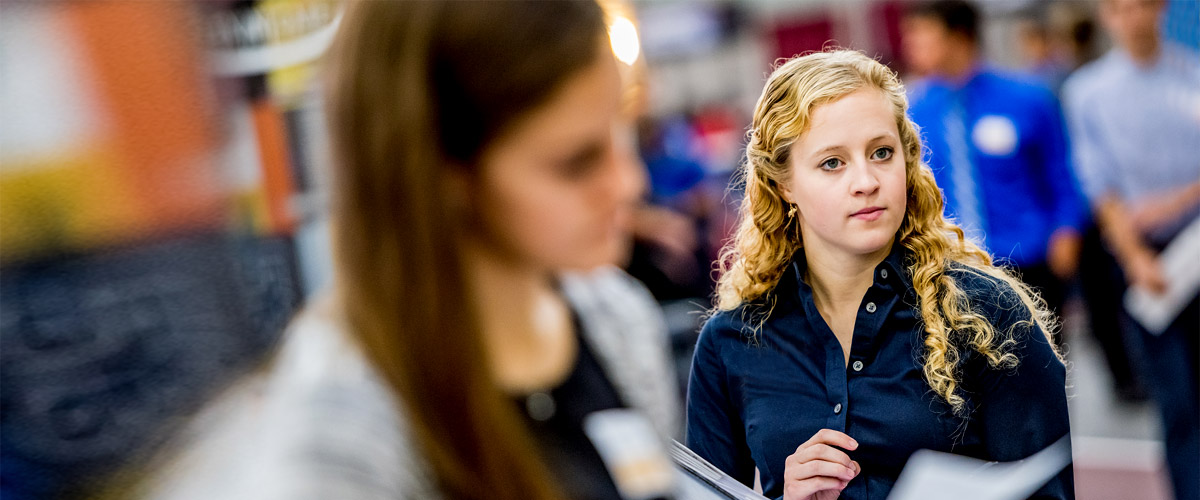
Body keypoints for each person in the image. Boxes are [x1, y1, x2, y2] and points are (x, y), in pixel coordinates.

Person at [115, 2, 680, 499]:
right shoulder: (343, 426)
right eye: (575, 162)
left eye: (621, 129)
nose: (627, 182)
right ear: (443, 171)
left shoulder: (615, 317)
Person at [685, 49, 1073, 500]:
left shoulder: (990, 316)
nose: (866, 180)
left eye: (881, 153)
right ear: (783, 183)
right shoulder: (729, 343)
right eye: (833, 162)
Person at [1061, 1, 1200, 498]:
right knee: (1176, 397)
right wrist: (1135, 255)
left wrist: (1175, 201)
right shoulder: (1088, 93)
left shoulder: (1193, 75)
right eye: (1118, 7)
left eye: (1140, 5)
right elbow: (1101, 187)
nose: (1132, 17)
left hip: (1196, 241)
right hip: (1143, 260)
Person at [901, 0, 1086, 339]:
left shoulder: (1027, 98)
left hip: (1027, 261)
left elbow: (1061, 173)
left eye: (922, 35)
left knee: (1042, 374)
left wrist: (1066, 230)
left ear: (958, 37)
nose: (910, 46)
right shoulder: (912, 113)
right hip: (953, 269)